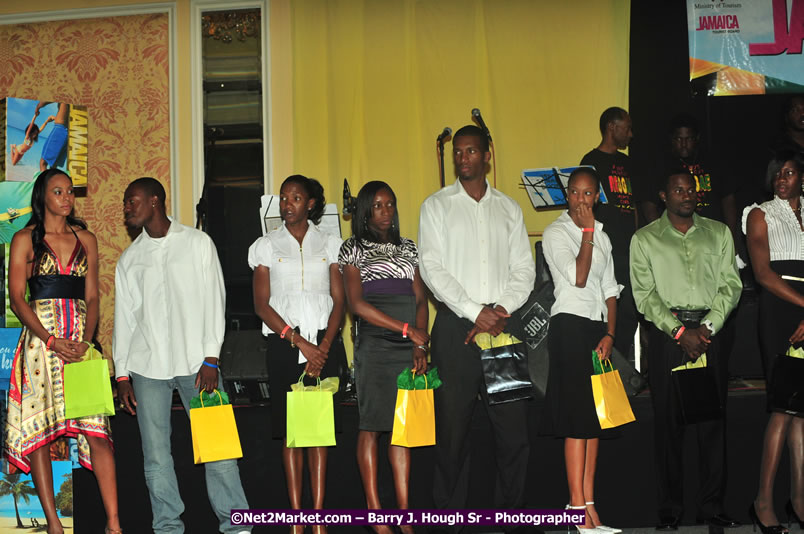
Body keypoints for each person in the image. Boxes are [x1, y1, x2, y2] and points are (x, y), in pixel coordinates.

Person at [113, 177, 250, 534]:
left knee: (218, 450)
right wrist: (122, 374)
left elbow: (214, 302)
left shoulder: (198, 244)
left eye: (133, 201)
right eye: (126, 203)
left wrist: (211, 358)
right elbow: (125, 321)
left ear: (155, 201)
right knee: (156, 457)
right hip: (148, 369)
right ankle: (167, 527)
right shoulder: (130, 259)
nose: (127, 208)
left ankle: (237, 526)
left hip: (198, 364)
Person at [419, 125, 536, 533]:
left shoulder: (509, 208)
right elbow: (431, 268)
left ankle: (511, 519)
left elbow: (525, 267)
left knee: (514, 433)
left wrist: (499, 310)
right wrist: (474, 311)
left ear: (487, 155)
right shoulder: (436, 206)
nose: (464, 158)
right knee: (451, 435)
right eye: (458, 153)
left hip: (504, 327)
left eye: (472, 151)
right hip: (455, 330)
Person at [4, 169, 121, 534]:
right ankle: (54, 523)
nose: (67, 198)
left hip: (81, 345)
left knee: (97, 432)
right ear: (43, 197)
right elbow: (17, 299)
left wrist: (86, 343)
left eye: (70, 191)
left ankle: (114, 523)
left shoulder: (87, 238)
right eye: (59, 192)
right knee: (40, 431)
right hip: (41, 345)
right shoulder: (24, 239)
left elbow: (92, 296)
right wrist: (52, 341)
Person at [630, 170, 742, 532]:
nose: (687, 195)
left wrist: (706, 329)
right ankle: (670, 510)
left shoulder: (719, 233)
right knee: (669, 427)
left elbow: (731, 285)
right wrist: (680, 332)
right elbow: (644, 295)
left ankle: (711, 509)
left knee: (712, 425)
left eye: (691, 189)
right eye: (678, 190)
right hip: (668, 337)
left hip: (711, 335)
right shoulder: (645, 239)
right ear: (664, 196)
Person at [248, 175, 346, 534]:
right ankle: (296, 519)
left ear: (311, 204)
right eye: (283, 198)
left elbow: (339, 301)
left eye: (295, 197)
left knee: (317, 432)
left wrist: (324, 346)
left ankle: (317, 519)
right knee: (292, 433)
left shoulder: (331, 244)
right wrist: (299, 342)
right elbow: (261, 305)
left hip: (323, 342)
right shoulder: (265, 245)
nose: (287, 204)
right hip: (285, 344)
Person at [339, 181, 428, 534]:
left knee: (402, 430)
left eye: (390, 204)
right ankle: (375, 515)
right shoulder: (353, 249)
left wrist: (419, 345)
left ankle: (403, 517)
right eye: (378, 205)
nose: (386, 210)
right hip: (375, 344)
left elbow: (420, 299)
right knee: (372, 425)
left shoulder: (409, 248)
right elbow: (356, 305)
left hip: (409, 344)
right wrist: (407, 330)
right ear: (364, 211)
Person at [541, 167, 623, 533]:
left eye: (588, 194)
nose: (580, 200)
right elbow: (578, 275)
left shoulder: (603, 237)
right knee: (577, 422)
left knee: (594, 423)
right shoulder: (556, 232)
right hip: (569, 326)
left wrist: (610, 333)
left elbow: (609, 289)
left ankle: (590, 507)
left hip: (595, 329)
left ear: (598, 197)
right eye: (574, 192)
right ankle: (575, 509)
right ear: (567, 195)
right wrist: (587, 232)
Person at [743, 150, 804, 534]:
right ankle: (763, 501)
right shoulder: (759, 213)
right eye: (776, 173)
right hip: (781, 311)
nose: (781, 179)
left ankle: (799, 499)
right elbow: (763, 274)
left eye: (789, 172)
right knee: (783, 409)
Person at [580, 107, 638, 361]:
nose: (631, 134)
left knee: (630, 310)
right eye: (627, 128)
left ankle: (623, 368)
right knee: (606, 307)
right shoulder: (591, 161)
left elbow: (634, 206)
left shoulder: (628, 163)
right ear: (612, 128)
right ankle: (602, 365)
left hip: (628, 249)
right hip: (603, 248)